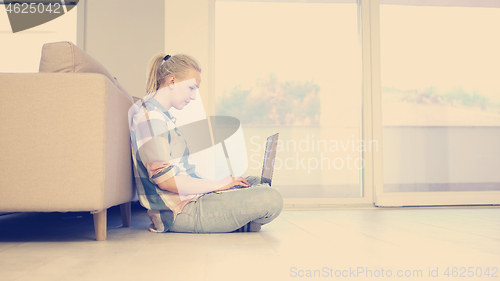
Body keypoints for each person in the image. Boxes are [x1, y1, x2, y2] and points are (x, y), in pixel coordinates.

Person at [128, 53, 283, 233]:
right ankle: (239, 220)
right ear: (172, 82)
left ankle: (237, 220)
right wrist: (217, 185)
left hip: (191, 198)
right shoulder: (151, 118)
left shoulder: (162, 116)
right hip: (179, 211)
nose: (193, 96)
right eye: (191, 88)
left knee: (254, 181)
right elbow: (166, 181)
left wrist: (217, 184)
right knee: (271, 198)